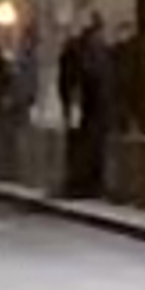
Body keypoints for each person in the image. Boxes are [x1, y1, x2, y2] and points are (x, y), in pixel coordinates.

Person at [56, 11, 117, 200]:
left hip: (86, 106)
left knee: (80, 146)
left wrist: (70, 104)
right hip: (96, 107)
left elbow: (69, 80)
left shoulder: (78, 48)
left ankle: (80, 184)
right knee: (93, 147)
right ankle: (91, 185)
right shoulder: (100, 50)